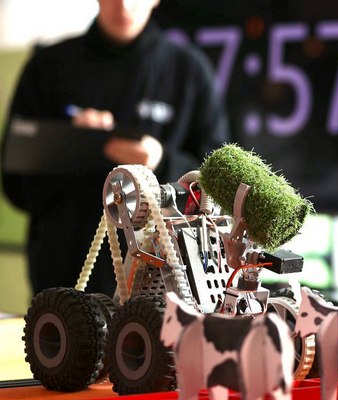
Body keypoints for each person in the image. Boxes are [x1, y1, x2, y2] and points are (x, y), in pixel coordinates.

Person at [1, 0, 229, 298]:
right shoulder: (48, 66)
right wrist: (70, 144)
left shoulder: (189, 72)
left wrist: (161, 162)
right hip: (61, 278)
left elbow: (216, 185)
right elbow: (15, 184)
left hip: (161, 284)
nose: (124, 5)